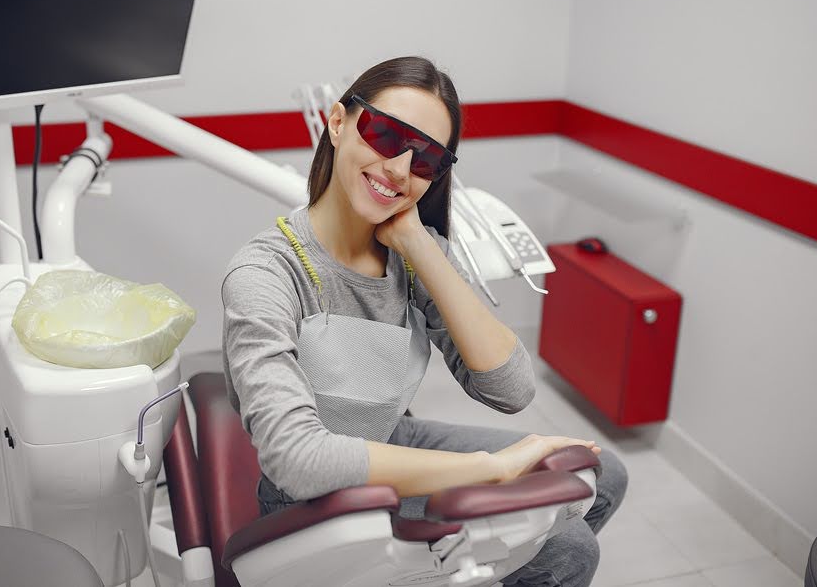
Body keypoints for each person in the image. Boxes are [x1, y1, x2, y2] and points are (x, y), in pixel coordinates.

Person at [221, 56, 628, 586]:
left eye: (425, 160)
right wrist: (491, 469)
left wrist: (417, 243)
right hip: (313, 497)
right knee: (568, 549)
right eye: (386, 135)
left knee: (602, 472)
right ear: (339, 123)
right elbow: (298, 461)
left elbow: (511, 389)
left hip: (392, 438)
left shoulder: (414, 257)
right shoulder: (265, 272)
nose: (397, 169)